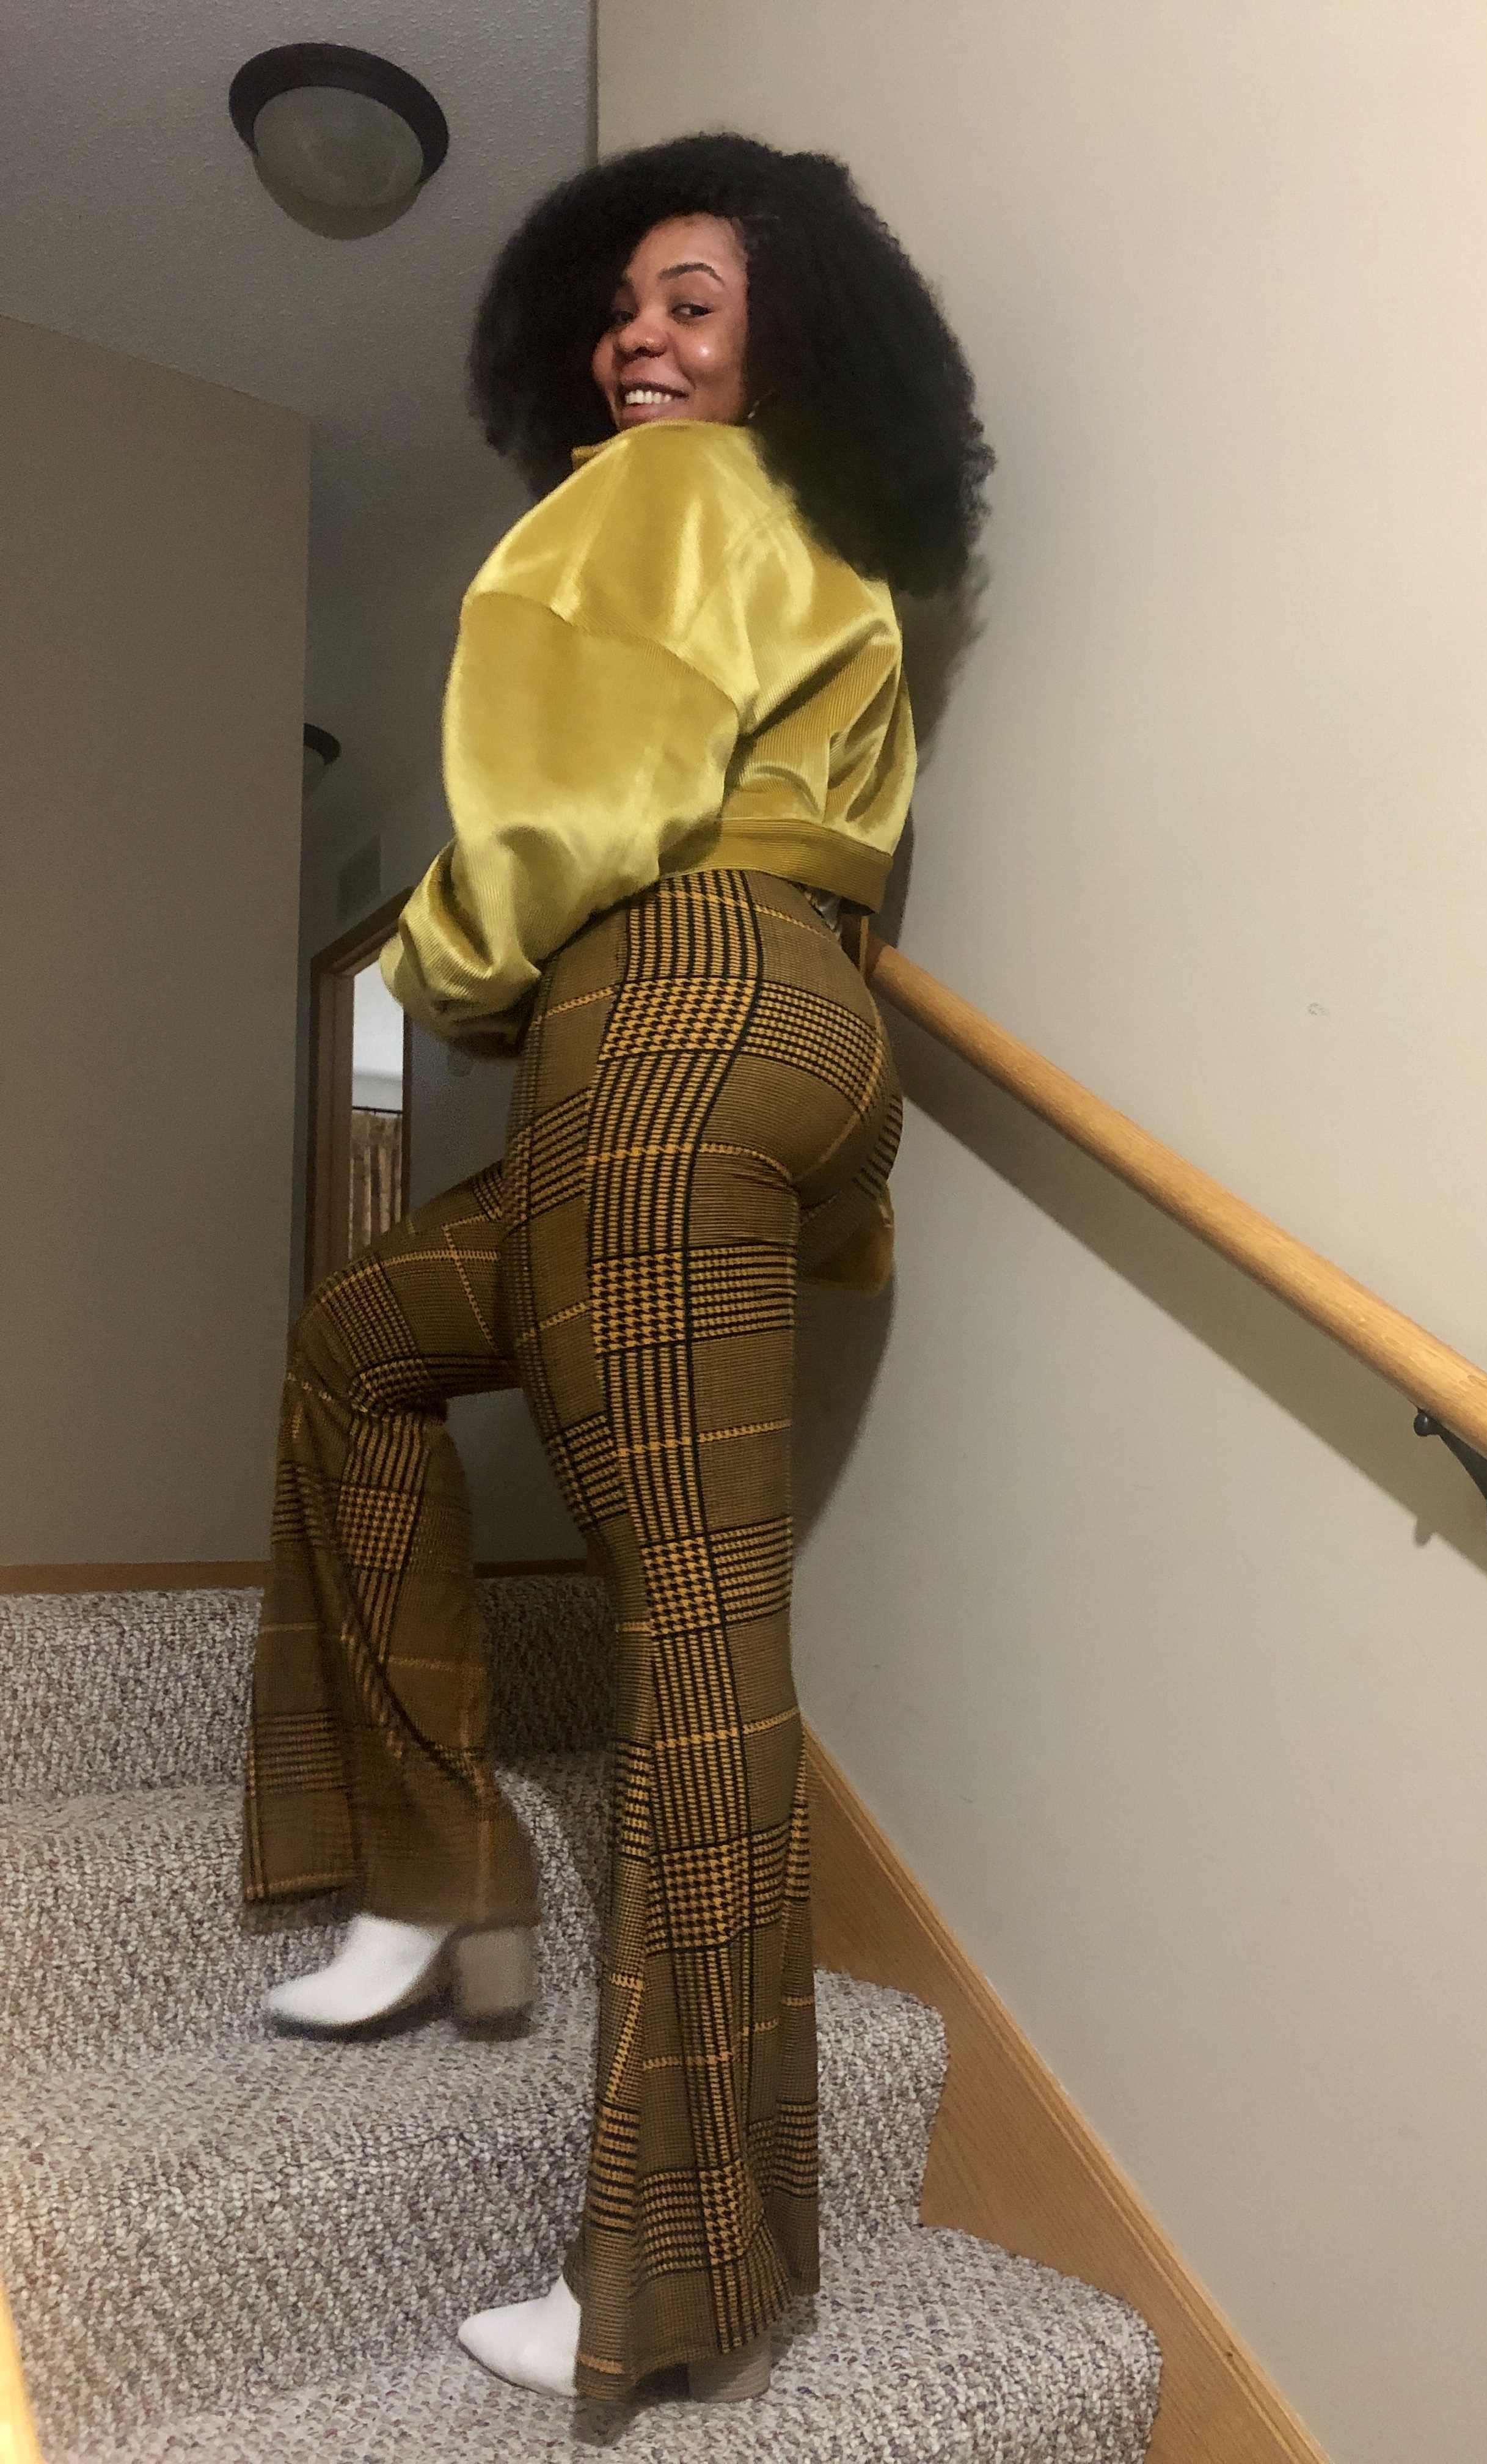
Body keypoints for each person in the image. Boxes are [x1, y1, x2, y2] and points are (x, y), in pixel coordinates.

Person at [241, 133, 990, 2407]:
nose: (634, 344)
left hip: (667, 1018)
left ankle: (685, 2268)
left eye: (691, 302)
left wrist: (434, 972)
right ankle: (440, 1882)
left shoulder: (654, 499)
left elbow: (559, 829)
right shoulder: (836, 551)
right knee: (361, 1343)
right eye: (623, 308)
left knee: (695, 1628)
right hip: (801, 1041)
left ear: (791, 338)